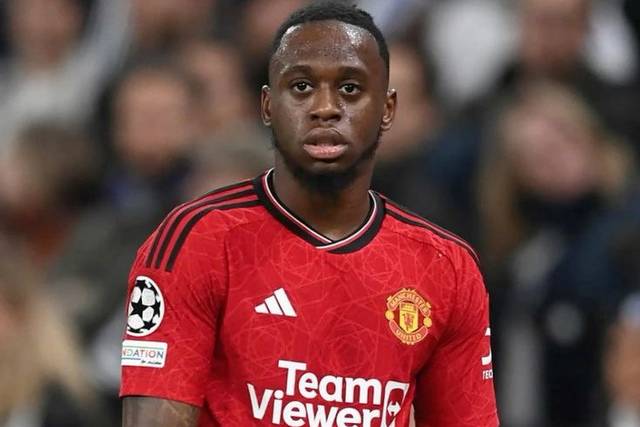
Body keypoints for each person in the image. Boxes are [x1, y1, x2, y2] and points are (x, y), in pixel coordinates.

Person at [120, 3, 498, 426]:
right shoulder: (197, 240)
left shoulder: (446, 267)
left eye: (350, 88)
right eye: (301, 86)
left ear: (387, 108)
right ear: (267, 105)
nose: (325, 107)